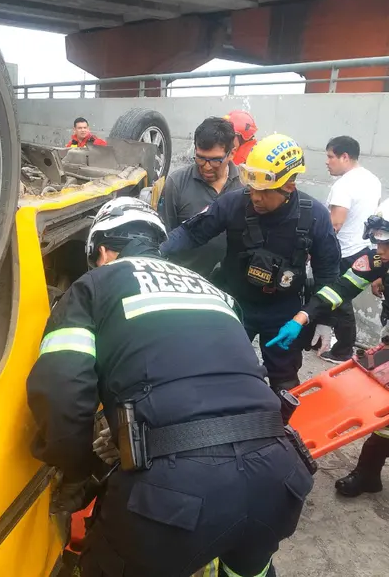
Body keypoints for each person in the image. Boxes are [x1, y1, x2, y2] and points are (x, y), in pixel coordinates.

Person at [28, 196, 313, 577]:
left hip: (175, 497)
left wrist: (78, 469)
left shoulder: (95, 284)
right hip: (278, 476)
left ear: (103, 251)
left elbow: (62, 391)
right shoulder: (216, 292)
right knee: (250, 569)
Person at [160, 134, 341, 393]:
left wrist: (323, 319)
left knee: (284, 379)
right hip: (235, 302)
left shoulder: (315, 217)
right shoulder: (234, 203)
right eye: (252, 188)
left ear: (289, 186)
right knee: (218, 368)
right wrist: (154, 251)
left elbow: (328, 274)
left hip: (284, 312)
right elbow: (191, 233)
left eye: (264, 191)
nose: (255, 197)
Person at [268, 212, 389, 497]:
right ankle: (368, 473)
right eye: (379, 243)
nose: (380, 250)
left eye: (386, 245)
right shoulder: (377, 260)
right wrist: (302, 317)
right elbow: (339, 289)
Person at [314, 135, 382, 363]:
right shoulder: (372, 180)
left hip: (343, 251)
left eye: (330, 157)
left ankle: (343, 351)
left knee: (339, 300)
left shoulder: (344, 184)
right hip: (364, 249)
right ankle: (324, 340)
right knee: (338, 299)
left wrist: (315, 249)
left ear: (345, 156)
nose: (327, 162)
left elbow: (335, 223)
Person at [158, 117, 243, 278]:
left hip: (231, 284)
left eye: (215, 160)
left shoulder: (245, 186)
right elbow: (164, 237)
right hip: (184, 281)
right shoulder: (176, 183)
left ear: (231, 153)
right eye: (200, 158)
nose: (206, 167)